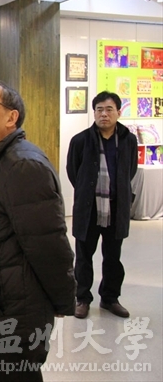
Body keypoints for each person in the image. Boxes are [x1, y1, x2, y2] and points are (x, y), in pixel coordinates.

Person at [0, 79, 76, 382]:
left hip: (13, 313)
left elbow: (48, 245)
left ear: (11, 117)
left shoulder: (23, 165)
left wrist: (62, 300)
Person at [66, 91, 137, 319]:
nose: (104, 114)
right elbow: (73, 171)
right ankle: (82, 299)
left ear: (118, 112)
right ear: (94, 113)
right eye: (99, 110)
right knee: (84, 257)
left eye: (109, 109)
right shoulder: (80, 140)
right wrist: (87, 191)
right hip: (89, 208)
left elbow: (130, 171)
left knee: (113, 257)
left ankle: (110, 298)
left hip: (116, 208)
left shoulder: (128, 140)